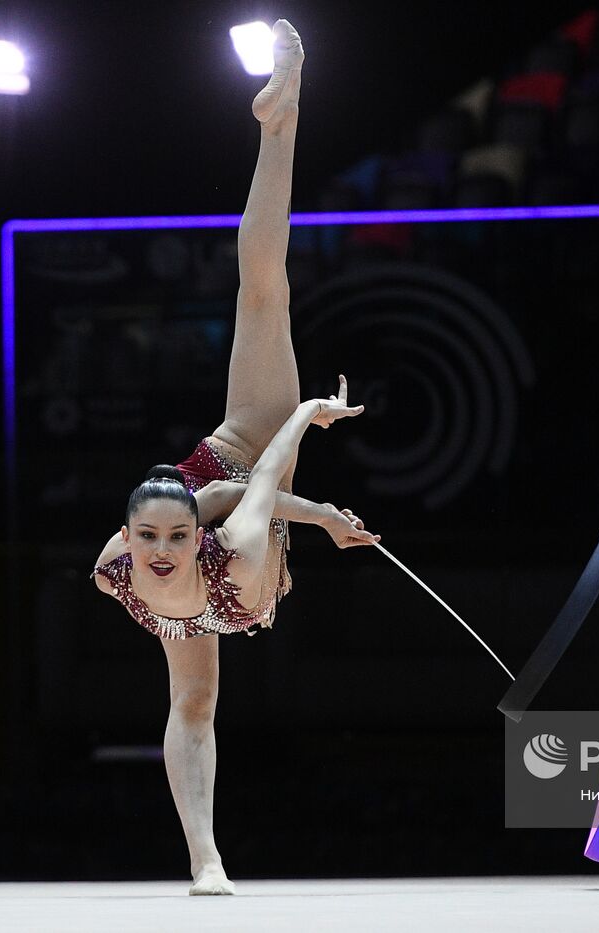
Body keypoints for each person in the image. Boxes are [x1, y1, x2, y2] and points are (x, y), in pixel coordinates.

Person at [90, 21, 374, 895]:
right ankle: (205, 858)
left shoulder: (207, 554)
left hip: (245, 451)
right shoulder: (128, 569)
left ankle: (278, 122)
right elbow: (207, 517)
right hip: (217, 516)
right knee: (195, 701)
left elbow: (248, 489)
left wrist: (316, 484)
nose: (154, 554)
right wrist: (314, 518)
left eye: (161, 542)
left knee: (264, 284)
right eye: (148, 545)